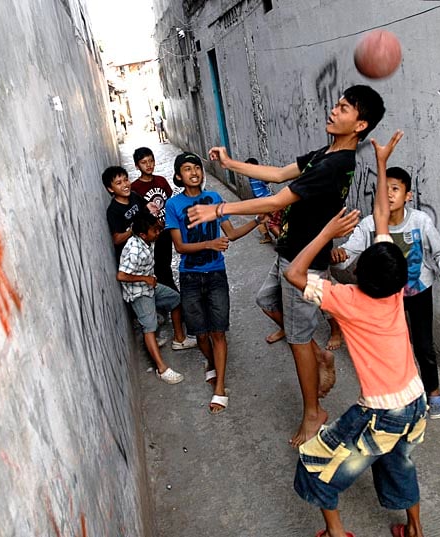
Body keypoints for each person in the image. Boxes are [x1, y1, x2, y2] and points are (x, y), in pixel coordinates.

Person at [187, 85, 386, 446]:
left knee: (296, 340)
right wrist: (231, 164)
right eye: (337, 104)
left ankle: (314, 413)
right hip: (289, 251)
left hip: (304, 264)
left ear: (360, 125)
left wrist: (217, 209)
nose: (334, 110)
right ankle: (320, 354)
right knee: (267, 302)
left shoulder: (337, 164)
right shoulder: (326, 153)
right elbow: (279, 174)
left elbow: (276, 200)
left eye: (344, 108)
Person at [285, 131, 428, 537]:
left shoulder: (345, 297)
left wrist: (326, 233)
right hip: (415, 401)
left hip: (381, 412)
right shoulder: (395, 288)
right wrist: (381, 163)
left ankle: (335, 534)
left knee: (315, 466)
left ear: (359, 274)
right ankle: (414, 529)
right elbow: (382, 215)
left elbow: (293, 273)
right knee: (400, 464)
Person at [329, 166, 440, 419]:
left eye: (395, 189)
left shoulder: (420, 221)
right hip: (384, 299)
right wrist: (339, 254)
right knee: (390, 347)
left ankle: (432, 390)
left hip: (419, 291)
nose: (389, 194)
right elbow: (348, 253)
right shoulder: (369, 225)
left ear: (408, 195)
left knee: (424, 345)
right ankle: (397, 395)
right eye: (384, 189)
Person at [165, 152, 264, 413]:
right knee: (200, 333)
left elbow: (231, 234)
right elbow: (180, 247)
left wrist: (257, 221)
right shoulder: (174, 206)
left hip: (216, 274)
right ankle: (211, 364)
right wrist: (209, 243)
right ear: (178, 176)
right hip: (189, 276)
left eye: (196, 167)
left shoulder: (214, 199)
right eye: (187, 169)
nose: (194, 172)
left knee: (218, 331)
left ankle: (219, 387)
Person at [117, 213, 197, 384]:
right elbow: (121, 275)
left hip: (150, 285)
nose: (158, 232)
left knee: (175, 299)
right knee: (150, 328)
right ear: (142, 235)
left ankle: (180, 339)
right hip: (140, 292)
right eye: (154, 231)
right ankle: (162, 369)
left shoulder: (147, 241)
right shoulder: (134, 250)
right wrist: (145, 279)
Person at [131, 147, 178, 291]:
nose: (149, 165)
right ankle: (171, 293)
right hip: (150, 235)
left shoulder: (161, 181)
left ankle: (169, 292)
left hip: (165, 231)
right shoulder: (135, 188)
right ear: (137, 166)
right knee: (157, 265)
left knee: (165, 263)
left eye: (151, 160)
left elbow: (170, 202)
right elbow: (137, 215)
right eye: (144, 162)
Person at [103, 166, 158, 265]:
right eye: (119, 183)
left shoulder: (133, 195)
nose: (125, 185)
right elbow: (117, 239)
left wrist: (149, 206)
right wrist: (133, 230)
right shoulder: (113, 211)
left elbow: (145, 205)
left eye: (126, 180)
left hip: (144, 251)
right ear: (110, 189)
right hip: (130, 259)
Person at [244, 157, 275, 245]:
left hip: (266, 200)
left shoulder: (257, 176)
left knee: (266, 220)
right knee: (261, 221)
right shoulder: (251, 177)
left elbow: (266, 181)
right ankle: (268, 237)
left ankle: (278, 237)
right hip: (261, 202)